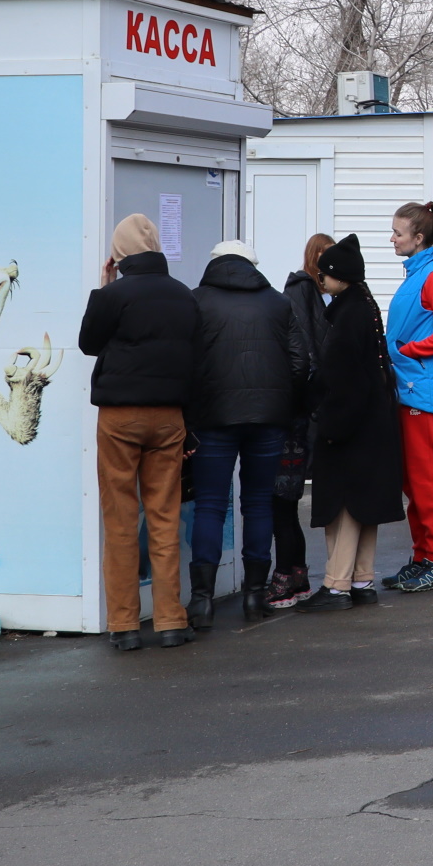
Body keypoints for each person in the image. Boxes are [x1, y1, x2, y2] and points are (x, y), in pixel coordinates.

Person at [79, 214, 201, 651]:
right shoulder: (184, 296)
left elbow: (89, 343)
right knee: (166, 518)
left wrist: (103, 285)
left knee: (120, 519)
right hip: (169, 417)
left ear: (120, 254)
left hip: (119, 417)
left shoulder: (114, 294)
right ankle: (170, 620)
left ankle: (124, 625)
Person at [186, 238, 306, 628]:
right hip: (268, 419)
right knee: (257, 503)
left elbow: (183, 360)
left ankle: (201, 602)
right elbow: (300, 363)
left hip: (212, 418)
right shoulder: (277, 302)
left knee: (209, 504)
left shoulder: (196, 301)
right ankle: (255, 596)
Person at [295, 234, 404, 613]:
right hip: (375, 422)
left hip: (350, 425)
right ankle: (362, 579)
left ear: (339, 277)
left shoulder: (346, 314)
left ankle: (336, 584)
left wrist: (328, 423)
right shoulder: (366, 306)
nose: (320, 280)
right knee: (366, 506)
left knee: (343, 506)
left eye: (325, 275)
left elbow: (340, 376)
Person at [383, 202, 433, 594]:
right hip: (412, 386)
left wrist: (410, 351)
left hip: (422, 390)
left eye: (398, 233)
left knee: (427, 480)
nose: (392, 239)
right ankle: (423, 558)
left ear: (419, 238)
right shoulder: (422, 273)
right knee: (416, 482)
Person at [265, 232, 336, 610]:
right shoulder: (301, 291)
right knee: (284, 500)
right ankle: (293, 576)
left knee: (285, 500)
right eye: (321, 255)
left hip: (298, 414)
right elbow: (306, 354)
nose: (326, 263)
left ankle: (292, 576)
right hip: (299, 413)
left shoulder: (324, 294)